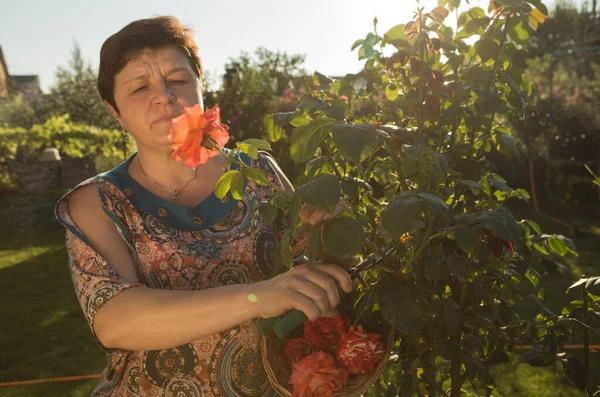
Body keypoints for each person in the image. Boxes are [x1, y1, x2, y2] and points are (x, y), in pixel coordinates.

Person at [54, 16, 353, 397]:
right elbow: (115, 320)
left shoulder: (255, 170)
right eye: (139, 87)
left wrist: (332, 231)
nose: (163, 95)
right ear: (116, 113)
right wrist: (258, 298)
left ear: (200, 85)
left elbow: (304, 272)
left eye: (177, 79)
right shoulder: (98, 202)